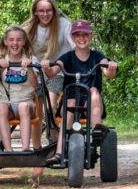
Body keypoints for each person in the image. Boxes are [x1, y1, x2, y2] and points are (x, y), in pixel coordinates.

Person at [42, 19, 118, 165]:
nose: (82, 38)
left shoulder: (97, 56)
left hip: (91, 104)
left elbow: (108, 73)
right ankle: (59, 152)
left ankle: (96, 131)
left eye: (85, 35)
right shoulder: (67, 57)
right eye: (78, 35)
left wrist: (111, 68)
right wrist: (46, 67)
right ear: (72, 37)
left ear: (91, 37)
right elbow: (52, 72)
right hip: (70, 102)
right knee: (71, 101)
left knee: (94, 90)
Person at [0, 25, 43, 183]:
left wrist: (30, 69)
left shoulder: (31, 59)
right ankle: (9, 150)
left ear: (24, 41)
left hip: (26, 102)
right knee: (0, 106)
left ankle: (26, 149)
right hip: (6, 102)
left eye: (19, 39)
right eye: (11, 39)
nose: (15, 43)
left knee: (24, 106)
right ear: (6, 41)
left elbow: (35, 85)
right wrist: (0, 69)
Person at [22, 0, 73, 115]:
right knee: (37, 110)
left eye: (49, 10)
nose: (45, 14)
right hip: (37, 73)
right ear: (35, 12)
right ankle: (41, 130)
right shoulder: (28, 28)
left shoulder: (64, 24)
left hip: (57, 71)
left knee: (49, 107)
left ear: (54, 10)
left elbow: (75, 44)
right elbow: (15, 45)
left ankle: (51, 122)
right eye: (41, 11)